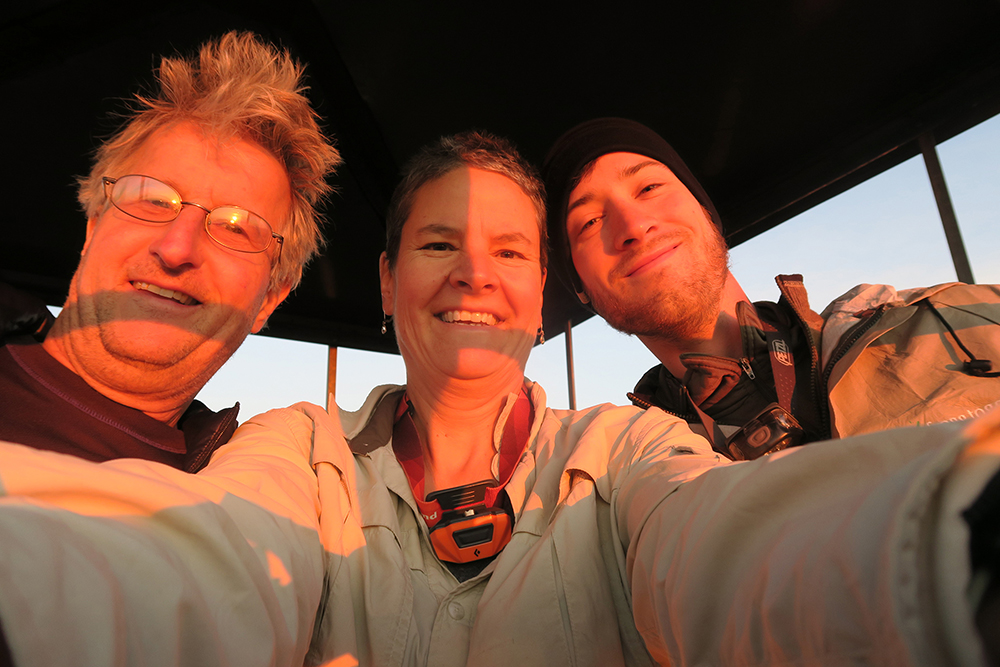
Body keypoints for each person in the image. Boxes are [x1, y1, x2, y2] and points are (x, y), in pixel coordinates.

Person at [194, 131, 996, 665]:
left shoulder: (624, 446)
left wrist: (945, 540)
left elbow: (715, 539)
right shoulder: (299, 449)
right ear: (385, 277)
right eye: (439, 244)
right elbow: (197, 569)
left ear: (542, 290)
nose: (473, 272)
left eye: (508, 249)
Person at [542, 117, 1000, 460]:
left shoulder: (957, 316)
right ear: (581, 289)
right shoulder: (625, 483)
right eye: (590, 221)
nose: (634, 226)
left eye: (649, 187)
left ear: (705, 211)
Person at [0, 31, 341, 471]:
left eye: (236, 228)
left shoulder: (249, 507)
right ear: (93, 227)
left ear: (271, 298)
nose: (177, 248)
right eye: (155, 200)